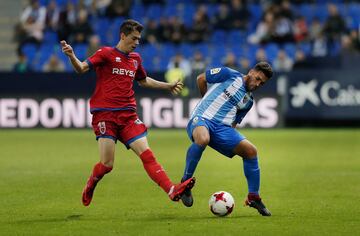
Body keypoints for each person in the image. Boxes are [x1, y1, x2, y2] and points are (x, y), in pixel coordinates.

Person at [60, 19, 195, 207]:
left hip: (128, 116)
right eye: (134, 38)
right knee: (107, 165)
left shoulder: (135, 59)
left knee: (147, 155)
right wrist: (71, 56)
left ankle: (171, 189)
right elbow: (82, 68)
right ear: (122, 36)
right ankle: (92, 182)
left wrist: (168, 85)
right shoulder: (105, 53)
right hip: (105, 115)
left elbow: (143, 80)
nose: (137, 42)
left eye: (139, 39)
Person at [180, 62, 273, 216]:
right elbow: (201, 79)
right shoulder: (229, 74)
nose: (257, 84)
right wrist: (205, 101)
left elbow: (234, 124)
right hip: (202, 117)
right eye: (257, 78)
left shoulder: (248, 101)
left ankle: (253, 197)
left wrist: (229, 141)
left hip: (222, 128)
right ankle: (185, 184)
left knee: (251, 151)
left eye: (261, 83)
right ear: (250, 71)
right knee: (202, 139)